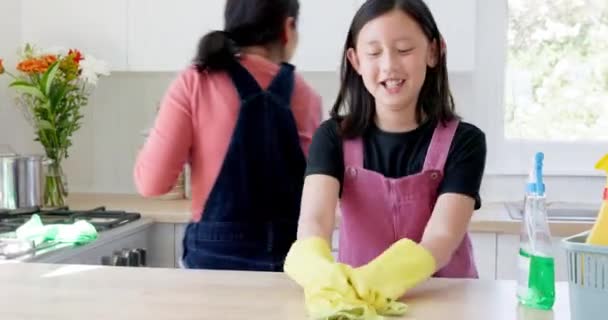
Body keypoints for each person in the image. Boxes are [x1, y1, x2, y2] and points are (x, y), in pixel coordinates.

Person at [284, 0, 487, 317]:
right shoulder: (332, 138)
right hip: (358, 306)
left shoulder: (465, 141)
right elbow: (314, 221)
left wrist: (373, 282)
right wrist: (321, 276)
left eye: (404, 49)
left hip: (443, 302)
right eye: (374, 53)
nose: (389, 65)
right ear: (355, 60)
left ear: (434, 51)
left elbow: (443, 236)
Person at [134, 0, 322, 271]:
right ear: (287, 27)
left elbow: (152, 184)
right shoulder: (306, 95)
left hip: (212, 258)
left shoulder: (195, 82)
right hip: (287, 261)